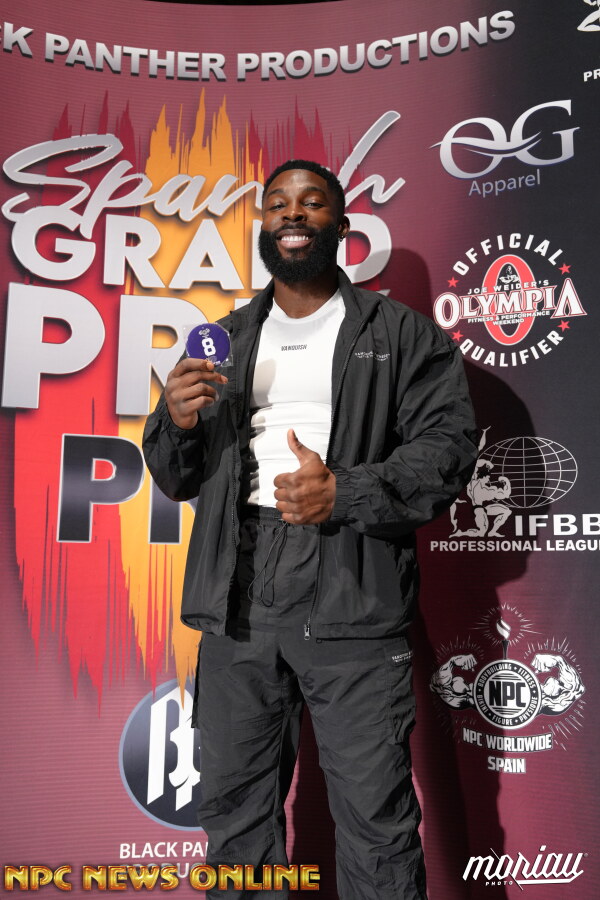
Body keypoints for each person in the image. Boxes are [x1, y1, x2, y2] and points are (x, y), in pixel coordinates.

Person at [143, 159, 478, 899]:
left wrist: (343, 491)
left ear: (340, 225)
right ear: (264, 225)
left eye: (311, 202)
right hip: (237, 593)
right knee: (234, 815)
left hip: (352, 584)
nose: (292, 214)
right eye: (277, 204)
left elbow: (448, 449)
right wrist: (177, 422)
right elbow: (175, 475)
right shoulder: (222, 339)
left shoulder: (402, 335)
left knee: (375, 821)